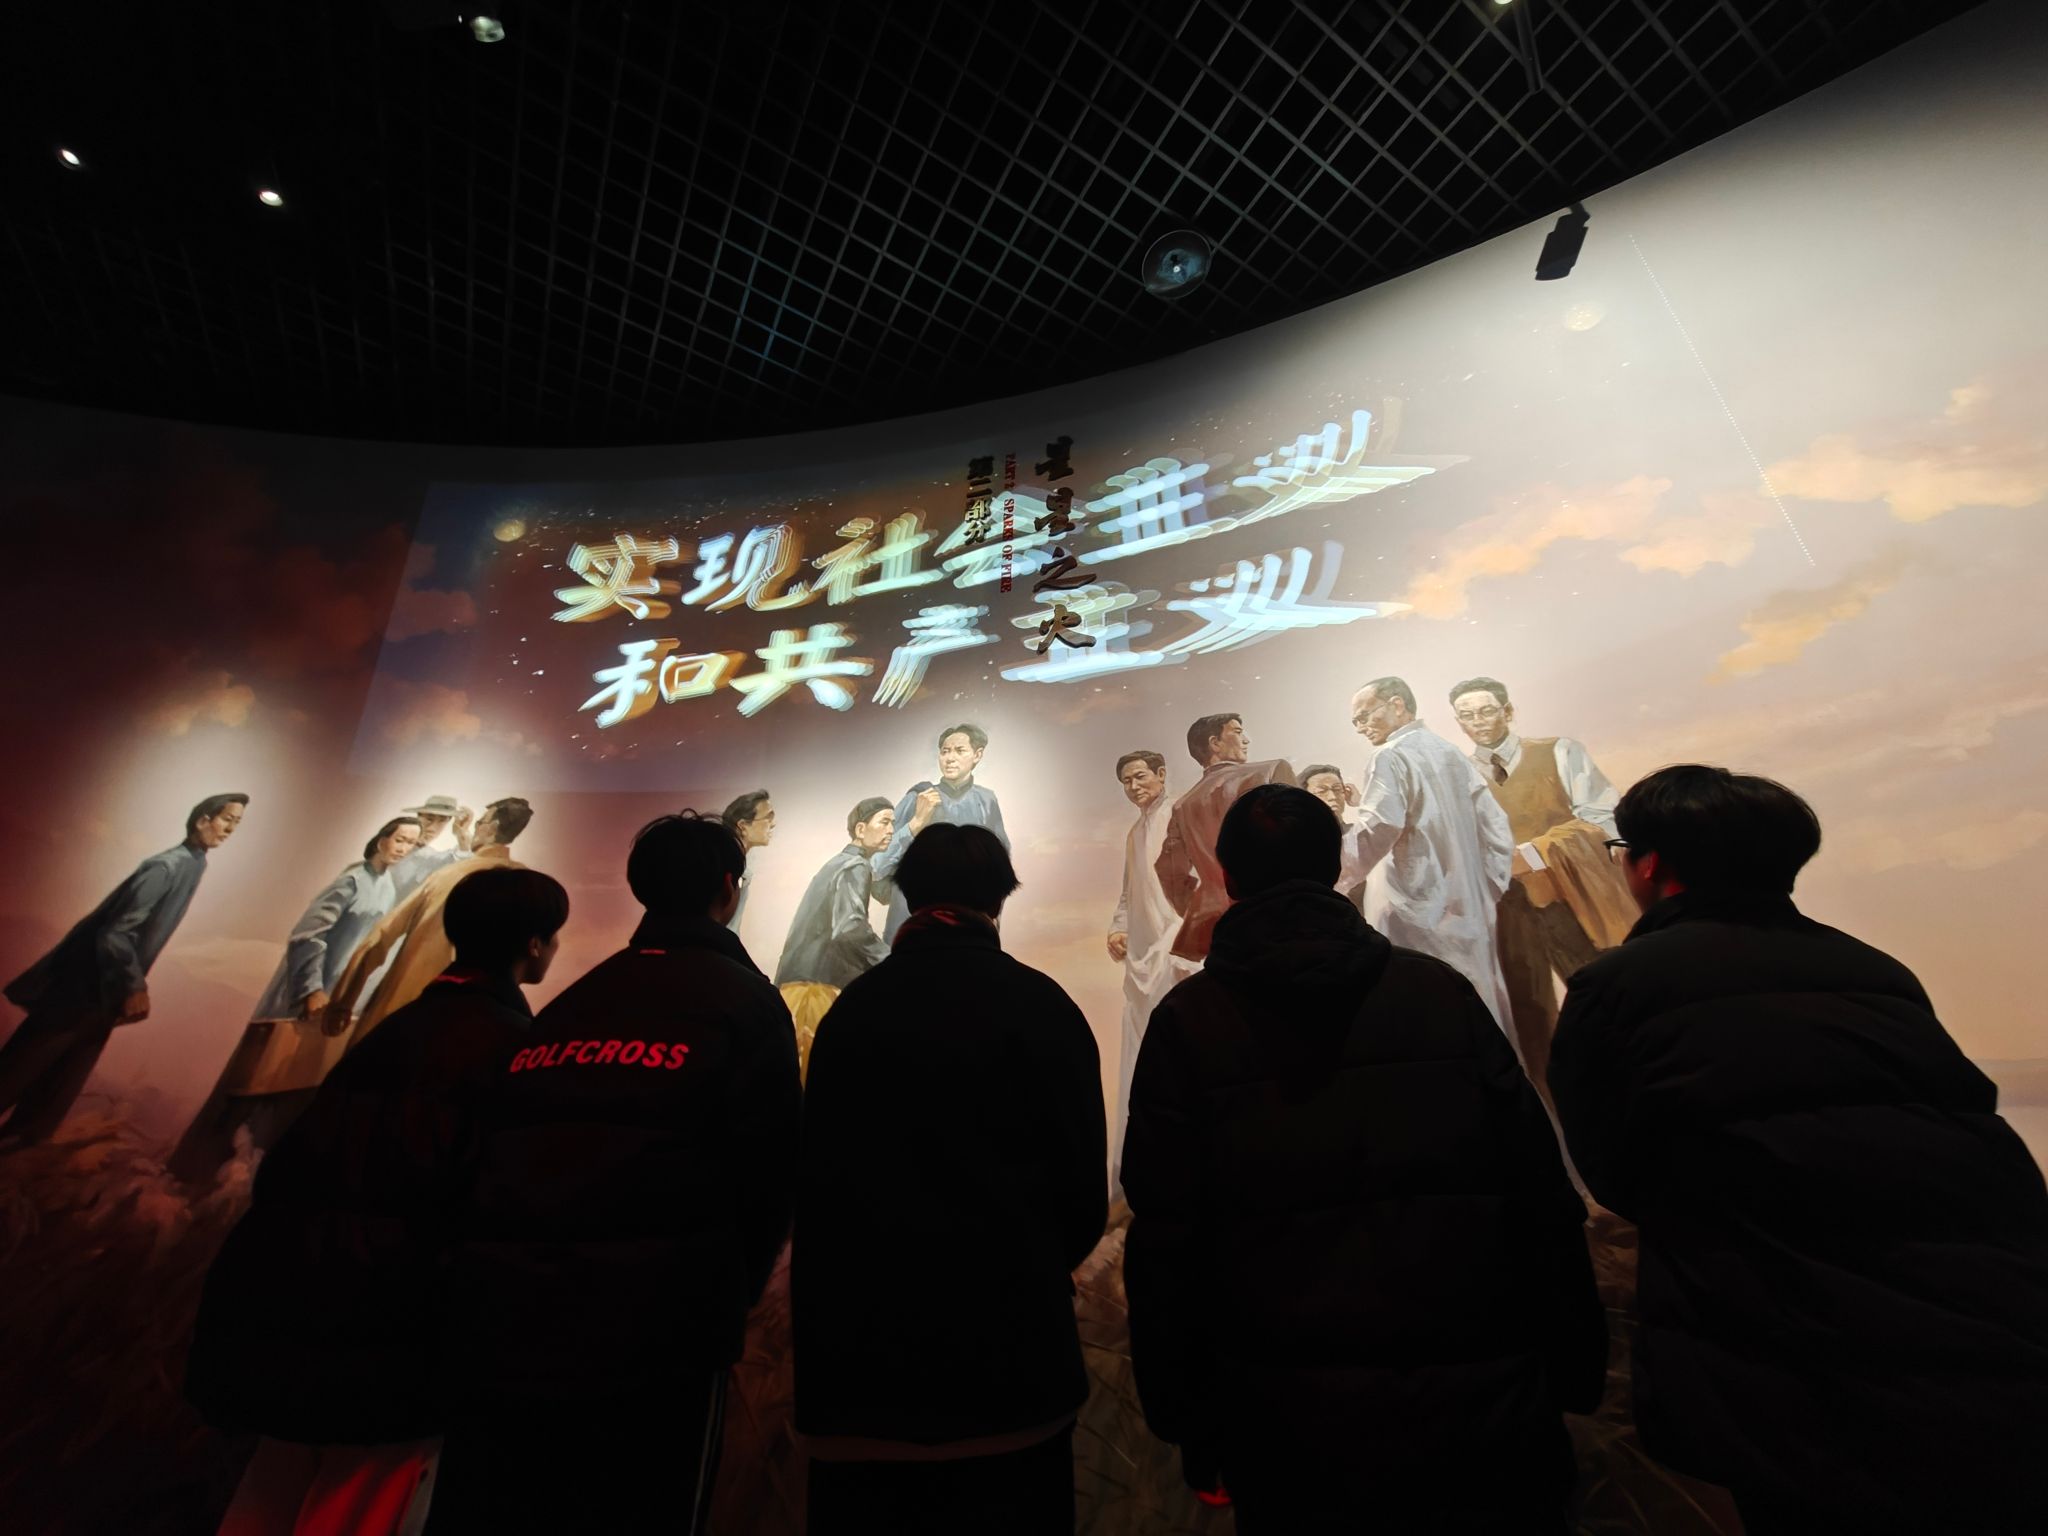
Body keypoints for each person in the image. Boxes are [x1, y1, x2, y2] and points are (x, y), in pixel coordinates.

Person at [1549, 766, 2048, 1535]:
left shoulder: (1615, 985)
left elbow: (1611, 1164)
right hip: (1977, 1313)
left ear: (1648, 865)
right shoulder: (1873, 968)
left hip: (1777, 1324)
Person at [1123, 785, 1604, 1533]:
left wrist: (1187, 1417)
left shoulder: (1189, 1022)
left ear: (1227, 876)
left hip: (1285, 1420)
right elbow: (1537, 1187)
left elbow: (1167, 1239)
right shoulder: (1437, 993)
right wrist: (1575, 1363)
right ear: (1332, 867)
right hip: (1478, 1398)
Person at [428, 812, 801, 1534]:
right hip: (660, 1333)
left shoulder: (573, 1003)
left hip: (513, 1319)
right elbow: (767, 1169)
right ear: (729, 889)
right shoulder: (745, 1001)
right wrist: (729, 1296)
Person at [186, 868, 568, 1536]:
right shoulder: (512, 1046)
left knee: (268, 1495)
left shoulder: (395, 1032)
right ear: (533, 946)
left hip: (306, 1305)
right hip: (401, 1330)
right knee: (363, 1505)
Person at [796, 824, 1106, 1536]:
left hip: (862, 1375)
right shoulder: (1041, 1004)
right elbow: (1081, 1196)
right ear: (1000, 897)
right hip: (1011, 1367)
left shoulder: (853, 1011)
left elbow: (817, 1180)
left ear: (907, 895)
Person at [170, 814, 423, 1183]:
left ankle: (243, 1182)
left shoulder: (386, 887)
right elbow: (308, 935)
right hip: (300, 1000)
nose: (404, 849)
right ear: (382, 838)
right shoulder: (352, 880)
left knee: (289, 1095)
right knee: (252, 1089)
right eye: (400, 839)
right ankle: (193, 1174)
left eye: (412, 843)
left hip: (331, 1005)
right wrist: (310, 988)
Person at [0, 792, 248, 1144]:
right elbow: (115, 933)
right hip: (79, 986)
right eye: (226, 819)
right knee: (19, 1069)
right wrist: (134, 986)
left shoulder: (195, 863)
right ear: (202, 820)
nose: (230, 830)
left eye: (237, 823)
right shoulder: (166, 867)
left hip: (103, 993)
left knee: (60, 1083)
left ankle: (19, 1151)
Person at [1449, 677, 1636, 1088]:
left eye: (1486, 711)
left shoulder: (1560, 752)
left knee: (1602, 993)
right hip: (1504, 909)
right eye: (1467, 715)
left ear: (1507, 712)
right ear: (1458, 723)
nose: (1477, 721)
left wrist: (1533, 855)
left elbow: (1603, 820)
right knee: (1530, 1014)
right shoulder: (1456, 777)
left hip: (1569, 898)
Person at [1344, 677, 1515, 1031]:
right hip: (1469, 911)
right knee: (1480, 1009)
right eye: (1355, 721)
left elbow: (1376, 830)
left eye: (1364, 716)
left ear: (1397, 705)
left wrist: (1331, 876)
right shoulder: (1449, 751)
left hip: (1412, 912)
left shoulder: (1389, 756)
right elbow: (1496, 829)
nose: (1360, 727)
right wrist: (1487, 891)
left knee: (1428, 1017)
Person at [325, 798, 533, 1047]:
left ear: (493, 826)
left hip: (402, 1014)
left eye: (480, 822)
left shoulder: (448, 875)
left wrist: (342, 1002)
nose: (476, 826)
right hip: (467, 1028)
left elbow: (382, 936)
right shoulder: (524, 885)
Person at [1104, 750, 1185, 1186]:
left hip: (1178, 949)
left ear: (1161, 774)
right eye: (1126, 781)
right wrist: (1118, 928)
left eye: (1139, 777)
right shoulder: (1136, 831)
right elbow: (1128, 891)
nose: (1134, 787)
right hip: (1142, 955)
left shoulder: (1179, 814)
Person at [1154, 714, 1295, 963]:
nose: (1246, 740)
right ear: (1215, 743)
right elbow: (1302, 842)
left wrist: (1202, 906)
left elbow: (1169, 872)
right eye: (1238, 732)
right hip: (1280, 917)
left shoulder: (1183, 806)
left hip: (1218, 927)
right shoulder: (1271, 772)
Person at [872, 723, 1009, 943]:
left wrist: (991, 918)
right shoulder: (918, 797)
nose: (950, 758)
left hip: (967, 924)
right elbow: (877, 863)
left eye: (959, 751)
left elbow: (1000, 865)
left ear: (977, 755)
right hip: (911, 921)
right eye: (945, 751)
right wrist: (916, 823)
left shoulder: (987, 801)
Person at [1300, 762, 1369, 915]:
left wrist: (1362, 802)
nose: (1332, 797)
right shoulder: (1301, 840)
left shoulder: (1357, 834)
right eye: (1322, 791)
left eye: (1337, 790)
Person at [390, 795, 474, 898]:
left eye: (442, 821)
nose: (432, 828)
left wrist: (462, 837)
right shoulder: (392, 841)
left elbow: (455, 861)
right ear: (418, 816)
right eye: (429, 819)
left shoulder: (430, 858)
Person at [720, 788, 775, 936]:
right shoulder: (726, 869)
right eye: (768, 818)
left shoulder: (742, 871)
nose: (773, 824)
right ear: (743, 826)